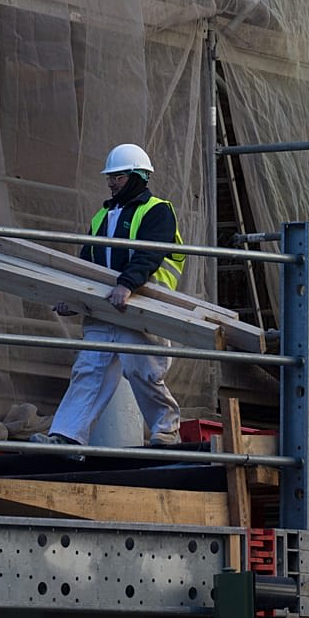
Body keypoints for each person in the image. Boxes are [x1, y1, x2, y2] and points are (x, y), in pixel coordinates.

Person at [31, 143, 186, 448]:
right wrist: (73, 298)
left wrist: (127, 285)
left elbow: (149, 255)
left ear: (138, 176)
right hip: (106, 306)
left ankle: (166, 432)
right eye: (110, 177)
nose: (111, 182)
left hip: (142, 307)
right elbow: (86, 261)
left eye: (118, 177)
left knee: (143, 372)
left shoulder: (157, 210)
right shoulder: (104, 214)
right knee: (89, 370)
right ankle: (66, 437)